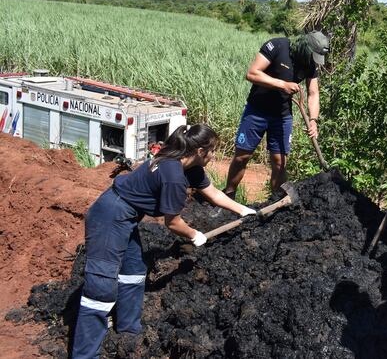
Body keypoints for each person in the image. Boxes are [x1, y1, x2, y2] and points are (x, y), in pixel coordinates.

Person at [71, 123, 257, 359]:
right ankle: (84, 356)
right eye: (212, 151)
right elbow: (173, 223)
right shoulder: (173, 177)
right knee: (101, 287)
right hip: (110, 214)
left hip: (126, 215)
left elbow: (214, 194)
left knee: (134, 271)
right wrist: (194, 234)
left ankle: (129, 333)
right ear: (200, 151)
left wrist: (243, 210)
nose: (214, 155)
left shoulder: (184, 163)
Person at [225, 31, 329, 198]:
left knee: (280, 163)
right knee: (241, 157)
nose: (314, 61)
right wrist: (282, 85)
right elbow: (252, 73)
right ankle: (228, 196)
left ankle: (275, 204)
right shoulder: (278, 46)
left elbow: (313, 93)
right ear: (305, 47)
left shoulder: (310, 64)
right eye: (313, 55)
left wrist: (313, 120)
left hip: (282, 116)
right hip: (256, 111)